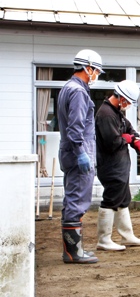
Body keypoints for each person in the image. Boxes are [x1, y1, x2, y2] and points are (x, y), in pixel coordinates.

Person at [57, 49, 104, 264]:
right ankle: (73, 253)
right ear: (88, 68)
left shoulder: (67, 88)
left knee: (72, 198)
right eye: (96, 71)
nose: (96, 75)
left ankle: (74, 250)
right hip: (78, 153)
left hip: (70, 152)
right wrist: (81, 153)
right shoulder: (78, 92)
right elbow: (75, 128)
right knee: (77, 200)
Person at [95, 80, 140, 251]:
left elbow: (129, 128)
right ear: (121, 97)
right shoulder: (106, 114)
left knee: (123, 199)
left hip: (120, 165)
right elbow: (112, 141)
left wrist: (133, 138)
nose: (129, 106)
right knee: (111, 200)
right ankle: (104, 239)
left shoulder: (117, 112)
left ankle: (127, 235)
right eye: (129, 102)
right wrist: (127, 139)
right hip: (111, 166)